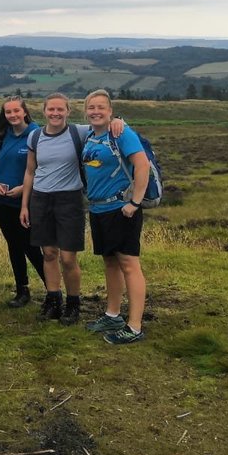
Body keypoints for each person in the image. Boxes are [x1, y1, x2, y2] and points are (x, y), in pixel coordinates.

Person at [19, 95, 124, 325]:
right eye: (51, 109)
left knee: (67, 258)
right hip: (41, 198)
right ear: (44, 111)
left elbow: (103, 123)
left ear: (68, 111)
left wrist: (119, 120)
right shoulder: (35, 136)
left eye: (60, 109)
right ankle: (54, 300)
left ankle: (73, 303)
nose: (55, 113)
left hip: (69, 199)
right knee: (48, 253)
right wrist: (25, 205)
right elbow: (29, 172)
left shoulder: (79, 131)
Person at [80, 90, 150, 345]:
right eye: (91, 108)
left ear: (110, 111)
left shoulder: (122, 133)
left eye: (101, 107)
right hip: (98, 209)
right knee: (110, 262)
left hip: (121, 209)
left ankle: (134, 326)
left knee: (129, 264)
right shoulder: (89, 134)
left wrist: (135, 202)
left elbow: (142, 165)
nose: (96, 111)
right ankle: (112, 314)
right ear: (86, 111)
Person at [0, 97, 45, 307]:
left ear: (25, 112)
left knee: (31, 246)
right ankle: (22, 290)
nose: (12, 115)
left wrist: (23, 189)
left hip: (26, 201)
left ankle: (52, 289)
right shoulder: (1, 136)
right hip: (0, 201)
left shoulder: (37, 134)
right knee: (14, 245)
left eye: (16, 111)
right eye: (8, 112)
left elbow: (42, 168)